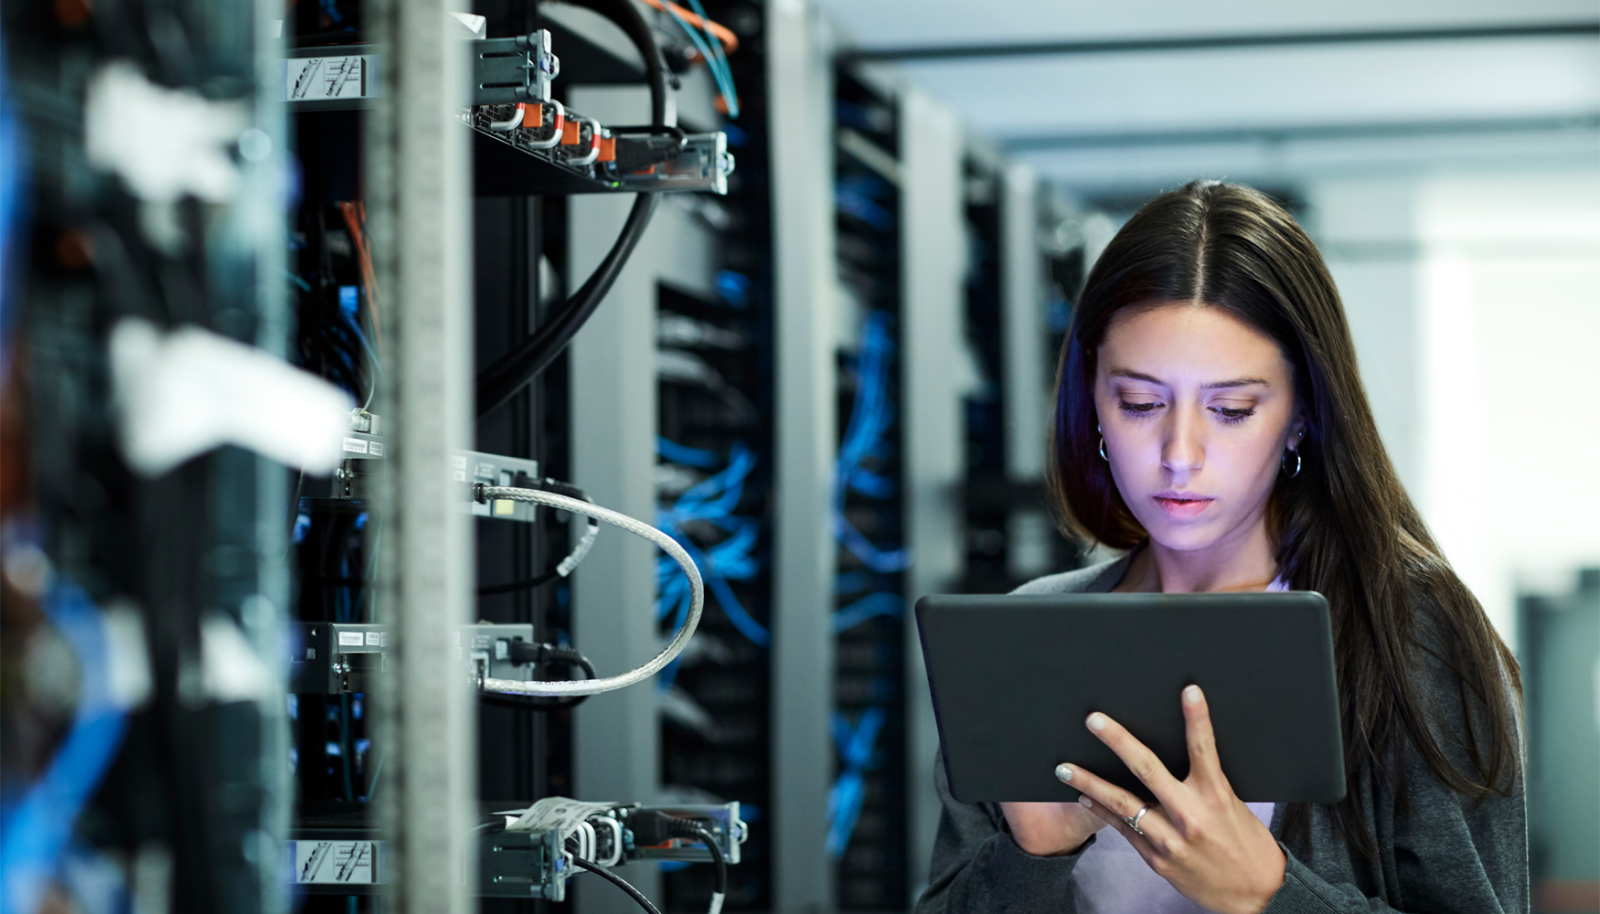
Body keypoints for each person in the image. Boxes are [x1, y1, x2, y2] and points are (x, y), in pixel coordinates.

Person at [917, 181, 1526, 914]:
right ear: (1093, 400)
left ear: (1301, 415)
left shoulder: (1407, 632)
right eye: (1139, 403)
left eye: (1232, 410)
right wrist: (1031, 857)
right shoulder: (1029, 635)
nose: (1181, 453)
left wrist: (1268, 893)